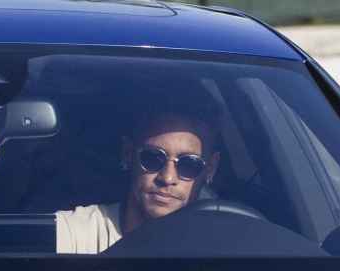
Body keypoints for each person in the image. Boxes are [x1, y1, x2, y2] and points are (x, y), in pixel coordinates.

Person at [56, 90, 222, 254]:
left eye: (189, 165)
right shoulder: (73, 234)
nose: (167, 177)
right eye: (152, 158)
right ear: (128, 154)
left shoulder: (223, 250)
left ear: (210, 169)